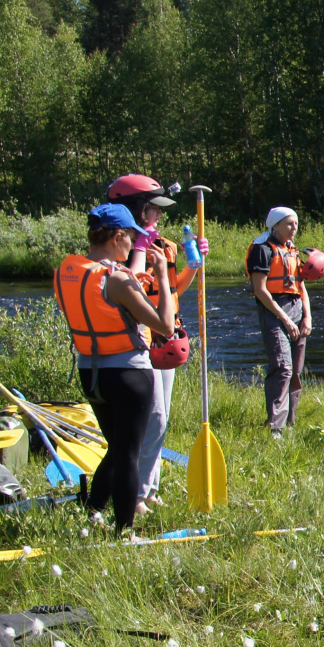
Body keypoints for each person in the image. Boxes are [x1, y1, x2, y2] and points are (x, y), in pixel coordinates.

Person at [53, 204, 178, 533]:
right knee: (128, 455)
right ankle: (124, 532)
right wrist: (162, 276)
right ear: (117, 236)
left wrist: (131, 284)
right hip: (129, 375)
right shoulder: (117, 280)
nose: (134, 245)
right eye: (131, 238)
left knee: (117, 447)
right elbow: (165, 325)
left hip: (91, 373)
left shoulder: (67, 271)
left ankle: (94, 508)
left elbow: (99, 299)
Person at [107, 174, 206, 513]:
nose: (160, 215)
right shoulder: (119, 248)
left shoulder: (165, 245)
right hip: (137, 339)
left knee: (160, 418)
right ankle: (134, 494)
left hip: (166, 336)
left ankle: (148, 489)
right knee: (153, 417)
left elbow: (173, 290)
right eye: (154, 209)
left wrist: (193, 265)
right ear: (136, 209)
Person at [246, 206, 312, 436]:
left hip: (297, 310)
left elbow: (301, 286)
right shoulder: (262, 249)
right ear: (275, 226)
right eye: (289, 224)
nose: (294, 228)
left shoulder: (292, 250)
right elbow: (260, 290)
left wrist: (307, 317)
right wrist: (285, 320)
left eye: (296, 223)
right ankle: (275, 428)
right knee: (283, 368)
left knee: (296, 371)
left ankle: (290, 423)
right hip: (273, 310)